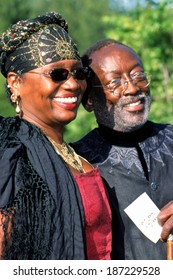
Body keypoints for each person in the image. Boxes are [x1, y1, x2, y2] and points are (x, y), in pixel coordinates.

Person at [0, 13, 112, 260]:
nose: (73, 84)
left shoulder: (81, 158)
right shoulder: (10, 157)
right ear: (16, 82)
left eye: (79, 73)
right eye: (57, 74)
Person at [71, 38, 173, 260]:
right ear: (88, 100)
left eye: (138, 76)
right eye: (115, 83)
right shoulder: (76, 163)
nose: (133, 88)